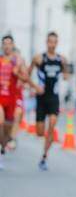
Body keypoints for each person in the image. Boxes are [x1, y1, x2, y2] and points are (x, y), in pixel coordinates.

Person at [28, 32, 71, 170]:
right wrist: (34, 86)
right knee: (40, 132)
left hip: (53, 98)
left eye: (55, 42)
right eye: (50, 42)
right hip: (41, 98)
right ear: (46, 42)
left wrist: (66, 74)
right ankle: (45, 139)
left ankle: (44, 156)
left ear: (57, 43)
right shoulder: (39, 58)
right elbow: (27, 75)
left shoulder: (61, 59)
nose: (52, 44)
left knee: (52, 125)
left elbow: (66, 75)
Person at [0, 35, 27, 169]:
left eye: (9, 44)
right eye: (4, 44)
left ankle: (2, 151)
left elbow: (25, 78)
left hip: (12, 98)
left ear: (12, 45)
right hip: (0, 97)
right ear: (2, 46)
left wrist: (18, 73)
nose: (6, 46)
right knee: (0, 122)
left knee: (7, 130)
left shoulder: (18, 61)